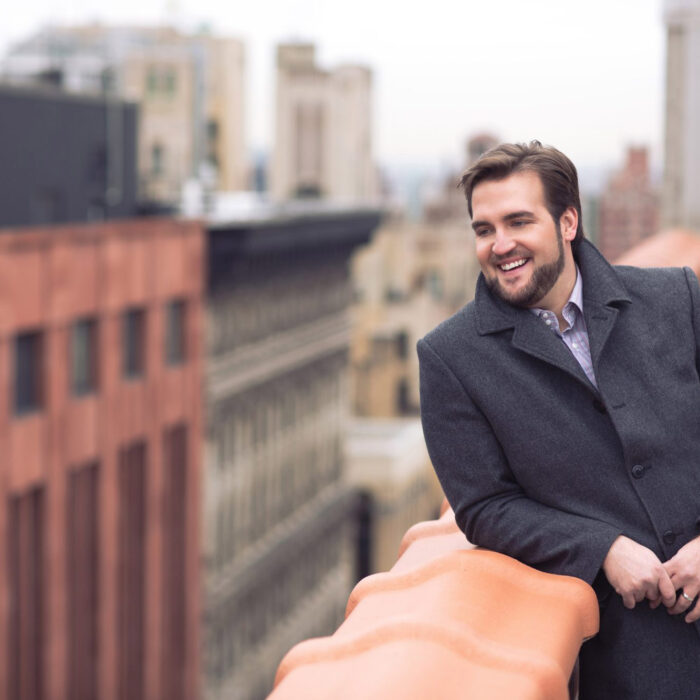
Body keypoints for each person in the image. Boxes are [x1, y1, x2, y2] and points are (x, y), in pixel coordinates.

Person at [417, 141, 700, 699]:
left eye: (519, 221)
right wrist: (603, 548)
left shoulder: (677, 297)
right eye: (484, 229)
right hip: (628, 659)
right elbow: (485, 507)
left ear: (568, 220)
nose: (501, 245)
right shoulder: (449, 357)